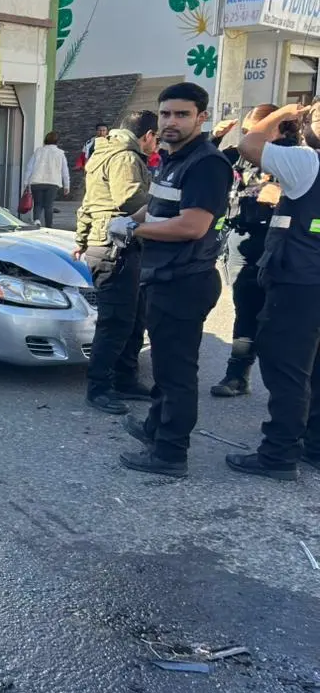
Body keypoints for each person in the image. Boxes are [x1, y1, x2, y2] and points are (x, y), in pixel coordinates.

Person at [108, 83, 233, 477]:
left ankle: (170, 454)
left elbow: (193, 226)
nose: (171, 122)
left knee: (176, 373)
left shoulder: (206, 164)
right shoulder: (173, 159)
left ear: (201, 117)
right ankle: (155, 429)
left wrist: (134, 232)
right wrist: (132, 219)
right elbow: (159, 205)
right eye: (165, 114)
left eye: (182, 114)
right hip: (163, 277)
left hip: (184, 280)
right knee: (163, 367)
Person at [222, 103, 320, 481]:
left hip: (298, 282)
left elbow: (250, 144)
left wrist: (284, 111)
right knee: (314, 370)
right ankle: (313, 445)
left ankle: (278, 455)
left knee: (287, 371)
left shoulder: (308, 162)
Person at [207, 105, 298, 398]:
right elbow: (205, 165)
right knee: (245, 308)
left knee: (282, 315)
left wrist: (278, 196)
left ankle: (289, 387)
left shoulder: (295, 156)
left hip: (281, 244)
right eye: (246, 132)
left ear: (280, 126)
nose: (248, 137)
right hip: (242, 240)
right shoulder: (240, 155)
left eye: (255, 131)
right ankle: (237, 375)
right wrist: (214, 138)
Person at [75, 111, 159, 415]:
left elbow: (88, 202)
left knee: (135, 318)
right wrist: (168, 200)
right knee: (116, 322)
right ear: (148, 135)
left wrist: (81, 239)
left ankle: (125, 378)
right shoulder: (125, 157)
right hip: (115, 246)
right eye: (156, 138)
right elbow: (130, 200)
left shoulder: (103, 151)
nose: (156, 145)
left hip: (114, 243)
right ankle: (99, 387)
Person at [23, 132, 71, 227]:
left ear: (45, 140)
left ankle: (37, 220)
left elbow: (29, 167)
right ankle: (49, 225)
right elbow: (65, 171)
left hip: (36, 181)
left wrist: (26, 181)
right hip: (52, 182)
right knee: (49, 205)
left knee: (38, 204)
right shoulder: (60, 153)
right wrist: (66, 185)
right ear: (57, 141)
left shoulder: (38, 151)